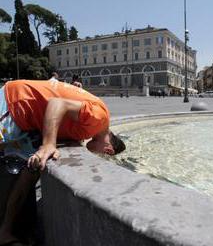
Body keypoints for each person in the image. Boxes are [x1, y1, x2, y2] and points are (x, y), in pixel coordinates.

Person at [0, 79, 125, 245]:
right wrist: (48, 144)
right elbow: (56, 103)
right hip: (16, 100)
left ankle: (5, 232)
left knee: (30, 172)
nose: (97, 156)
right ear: (108, 150)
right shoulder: (100, 118)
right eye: (102, 155)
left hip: (27, 120)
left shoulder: (89, 128)